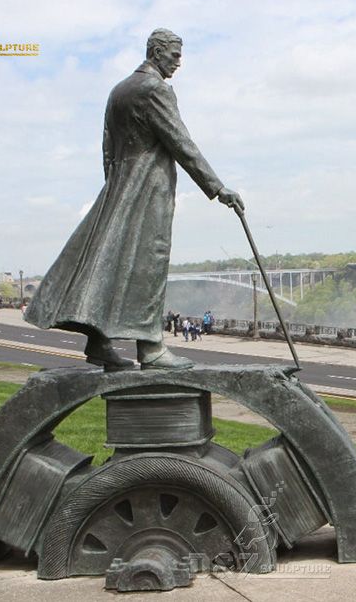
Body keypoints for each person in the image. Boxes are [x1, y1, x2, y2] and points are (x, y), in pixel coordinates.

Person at [24, 29, 244, 371]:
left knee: (109, 265)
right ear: (156, 53)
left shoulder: (119, 91)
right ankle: (151, 347)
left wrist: (114, 188)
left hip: (119, 185)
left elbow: (108, 147)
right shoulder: (155, 89)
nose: (178, 63)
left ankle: (99, 342)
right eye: (174, 56)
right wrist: (217, 187)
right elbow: (180, 142)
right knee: (148, 266)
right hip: (148, 188)